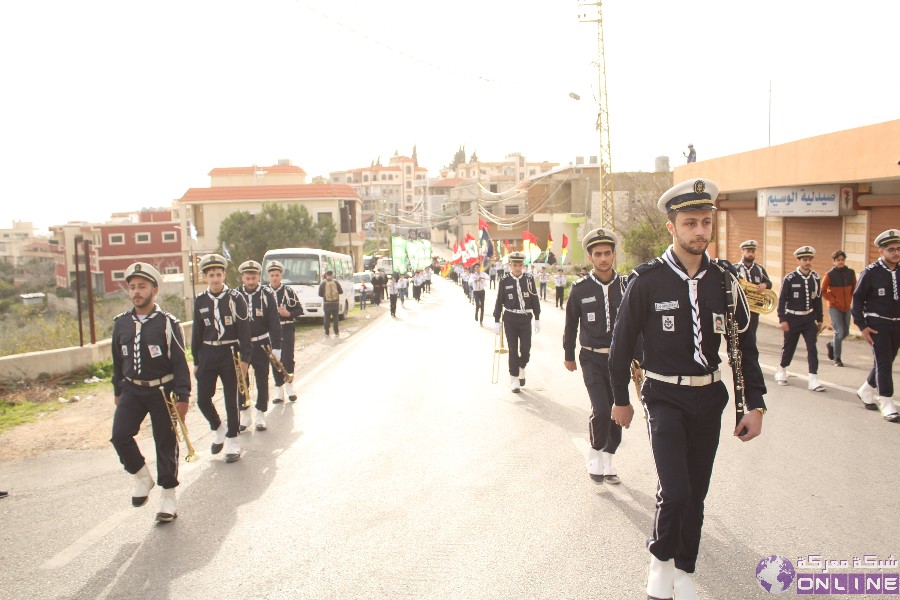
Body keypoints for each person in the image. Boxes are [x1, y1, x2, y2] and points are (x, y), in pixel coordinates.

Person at [608, 178, 766, 599]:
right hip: (663, 396)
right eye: (690, 222)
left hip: (709, 397)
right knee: (675, 490)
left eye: (706, 222)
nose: (700, 231)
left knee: (695, 494)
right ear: (671, 228)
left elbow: (743, 349)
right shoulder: (646, 280)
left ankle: (685, 570)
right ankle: (660, 561)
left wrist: (755, 405)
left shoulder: (725, 281)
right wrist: (620, 400)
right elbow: (620, 347)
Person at [110, 262, 191, 522]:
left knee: (165, 443)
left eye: (142, 286)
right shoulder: (121, 323)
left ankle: (168, 497)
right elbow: (116, 360)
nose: (136, 291)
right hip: (131, 389)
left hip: (162, 391)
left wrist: (183, 396)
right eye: (132, 287)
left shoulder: (168, 323)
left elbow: (180, 362)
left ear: (154, 290)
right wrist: (117, 389)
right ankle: (142, 477)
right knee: (120, 435)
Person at [563, 228, 632, 485]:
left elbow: (636, 326)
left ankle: (609, 459)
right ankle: (595, 452)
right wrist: (568, 354)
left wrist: (641, 359)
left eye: (607, 253)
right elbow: (571, 324)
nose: (603, 258)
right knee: (601, 410)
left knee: (617, 410)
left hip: (619, 360)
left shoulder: (626, 286)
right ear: (590, 258)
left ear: (614, 255)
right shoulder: (580, 289)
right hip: (591, 357)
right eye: (598, 254)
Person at [192, 254, 251, 463]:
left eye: (218, 274)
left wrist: (245, 358)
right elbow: (196, 333)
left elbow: (245, 330)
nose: (215, 279)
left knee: (231, 400)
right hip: (208, 353)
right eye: (211, 275)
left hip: (230, 352)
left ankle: (233, 441)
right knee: (202, 399)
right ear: (205, 277)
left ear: (224, 274)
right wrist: (196, 360)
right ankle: (218, 428)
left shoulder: (236, 298)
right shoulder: (200, 300)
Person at [852, 229, 900, 423]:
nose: (896, 253)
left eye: (898, 249)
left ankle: (865, 390)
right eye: (891, 250)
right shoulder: (871, 272)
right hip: (877, 323)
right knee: (883, 361)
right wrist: (862, 326)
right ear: (881, 252)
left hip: (896, 324)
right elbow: (856, 300)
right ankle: (886, 401)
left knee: (887, 360)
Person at [236, 260, 282, 432]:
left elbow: (274, 322)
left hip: (262, 343)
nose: (250, 281)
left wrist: (277, 347)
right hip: (242, 346)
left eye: (254, 277)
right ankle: (245, 413)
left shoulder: (267, 294)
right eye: (247, 278)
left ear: (258, 277)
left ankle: (261, 413)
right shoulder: (235, 295)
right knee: (242, 380)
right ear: (242, 278)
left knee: (262, 378)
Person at [775, 247, 825, 391]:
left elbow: (818, 299)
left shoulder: (815, 278)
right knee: (789, 347)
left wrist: (819, 319)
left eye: (809, 260)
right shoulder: (790, 278)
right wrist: (782, 319)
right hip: (792, 318)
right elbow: (782, 300)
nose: (807, 262)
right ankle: (782, 369)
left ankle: (813, 378)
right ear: (798, 261)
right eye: (804, 260)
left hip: (809, 319)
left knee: (812, 348)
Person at [493, 251, 541, 391]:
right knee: (513, 349)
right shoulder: (504, 280)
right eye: (515, 265)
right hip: (510, 318)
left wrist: (537, 317)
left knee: (525, 349)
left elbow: (534, 299)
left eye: (520, 265)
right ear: (510, 265)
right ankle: (514, 378)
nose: (518, 268)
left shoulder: (529, 279)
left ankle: (521, 367)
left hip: (525, 318)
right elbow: (499, 300)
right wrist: (497, 319)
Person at [267, 260, 302, 403]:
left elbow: (299, 310)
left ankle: (289, 385)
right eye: (272, 275)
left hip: (286, 327)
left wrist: (288, 313)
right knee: (275, 359)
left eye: (277, 275)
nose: (274, 278)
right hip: (271, 330)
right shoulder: (264, 292)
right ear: (268, 276)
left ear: (281, 276)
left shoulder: (288, 291)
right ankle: (279, 389)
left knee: (288, 358)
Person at [735, 239, 772, 348]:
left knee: (752, 334)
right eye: (748, 251)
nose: (751, 254)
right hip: (739, 307)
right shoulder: (735, 268)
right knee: (738, 333)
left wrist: (764, 285)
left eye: (753, 252)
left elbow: (768, 282)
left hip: (754, 309)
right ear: (742, 252)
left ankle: (750, 358)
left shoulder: (759, 269)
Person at [822, 250, 856, 367]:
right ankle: (837, 358)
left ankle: (831, 344)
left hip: (847, 307)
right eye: (838, 260)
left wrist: (851, 299)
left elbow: (854, 288)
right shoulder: (829, 274)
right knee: (839, 332)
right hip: (834, 307)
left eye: (842, 260)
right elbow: (823, 291)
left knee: (845, 332)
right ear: (834, 262)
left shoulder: (851, 273)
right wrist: (832, 299)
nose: (840, 262)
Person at [318, 270, 343, 337]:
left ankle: (327, 332)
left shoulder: (323, 283)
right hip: (335, 303)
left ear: (326, 275)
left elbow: (320, 294)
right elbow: (341, 292)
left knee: (327, 317)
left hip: (326, 303)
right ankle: (336, 332)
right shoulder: (336, 282)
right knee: (335, 317)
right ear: (332, 275)